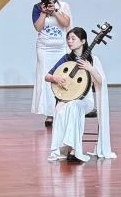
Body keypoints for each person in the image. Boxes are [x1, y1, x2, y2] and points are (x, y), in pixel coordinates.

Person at [45, 27, 113, 163]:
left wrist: (90, 68)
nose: (69, 41)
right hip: (68, 98)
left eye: (73, 39)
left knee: (73, 106)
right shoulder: (66, 58)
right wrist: (56, 78)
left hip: (85, 100)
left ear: (83, 41)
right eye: (68, 39)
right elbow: (47, 76)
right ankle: (68, 148)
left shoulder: (93, 60)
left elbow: (101, 81)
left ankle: (74, 149)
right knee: (60, 108)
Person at [31, 0, 72, 129]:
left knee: (61, 76)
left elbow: (66, 23)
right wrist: (43, 12)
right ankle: (49, 113)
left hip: (60, 48)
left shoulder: (63, 6)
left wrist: (54, 11)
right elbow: (38, 27)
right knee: (46, 78)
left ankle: (60, 109)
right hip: (44, 49)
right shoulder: (37, 7)